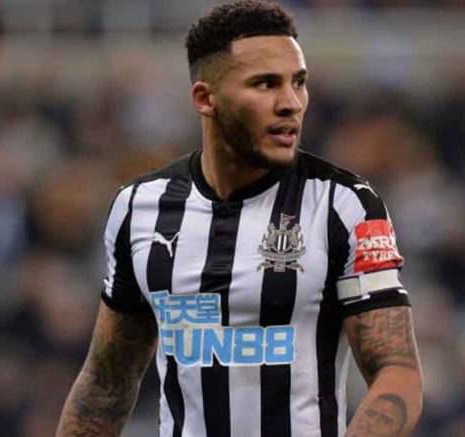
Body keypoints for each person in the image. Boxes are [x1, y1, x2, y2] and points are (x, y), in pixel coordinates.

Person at [56, 1, 423, 436]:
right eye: (265, 84)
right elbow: (104, 387)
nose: (290, 103)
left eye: (298, 82)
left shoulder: (344, 205)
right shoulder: (139, 208)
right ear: (205, 98)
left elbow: (397, 372)